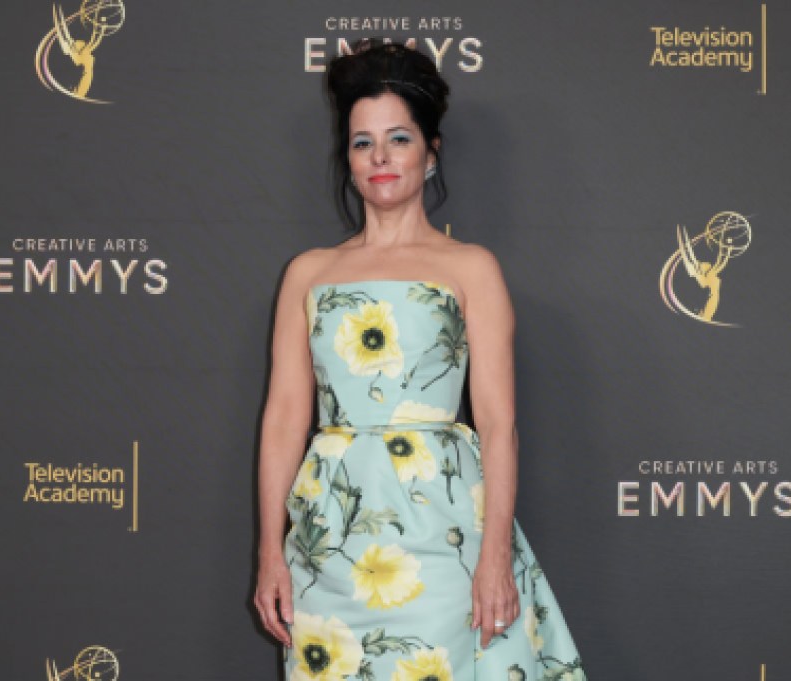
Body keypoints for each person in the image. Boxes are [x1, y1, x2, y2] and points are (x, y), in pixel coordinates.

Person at [254, 39, 587, 680]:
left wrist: (494, 556)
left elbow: (497, 424)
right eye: (361, 142)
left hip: (445, 535)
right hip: (329, 539)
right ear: (347, 157)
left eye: (399, 138)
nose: (380, 157)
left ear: (431, 153)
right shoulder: (309, 274)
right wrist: (271, 552)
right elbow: (284, 419)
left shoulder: (471, 269)